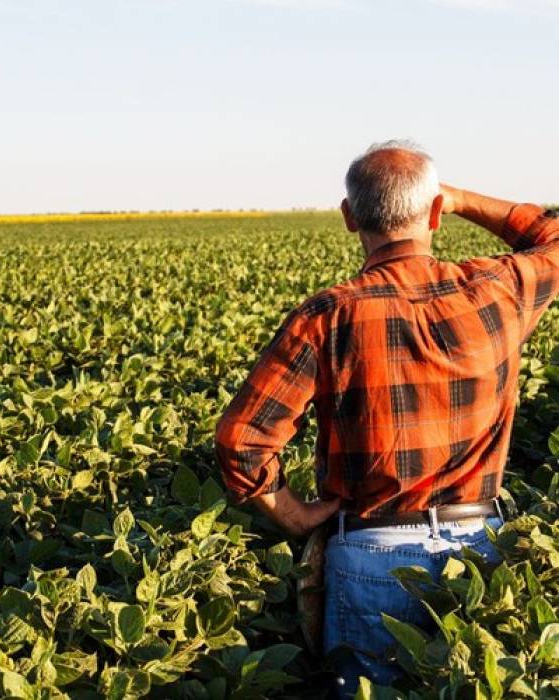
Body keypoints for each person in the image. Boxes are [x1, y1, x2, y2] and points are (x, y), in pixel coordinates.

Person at [213, 139, 559, 696]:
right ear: (437, 212)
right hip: (480, 550)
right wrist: (464, 198)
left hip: (370, 554)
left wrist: (293, 513)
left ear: (350, 218)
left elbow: (242, 439)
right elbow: (553, 234)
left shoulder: (327, 314)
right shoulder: (499, 289)